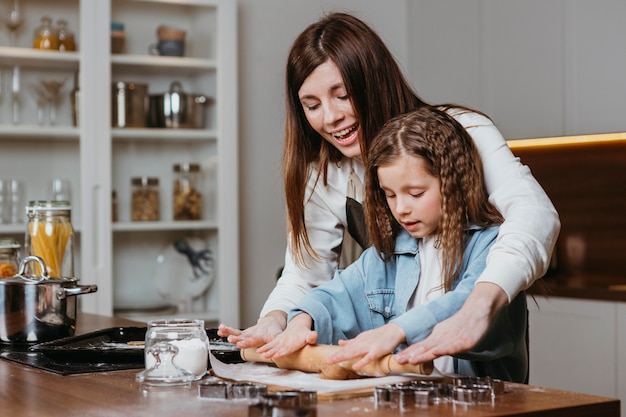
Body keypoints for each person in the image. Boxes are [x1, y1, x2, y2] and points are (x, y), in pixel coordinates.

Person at [219, 12, 559, 363]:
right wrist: (276, 321)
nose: (330, 117)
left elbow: (534, 214)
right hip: (403, 369)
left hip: (477, 363)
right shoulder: (326, 175)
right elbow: (307, 278)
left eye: (342, 95)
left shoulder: (461, 131)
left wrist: (479, 305)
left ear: (373, 81)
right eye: (312, 105)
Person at [257, 107, 528, 382]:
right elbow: (337, 294)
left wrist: (396, 331)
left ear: (453, 183)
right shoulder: (391, 252)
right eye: (390, 195)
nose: (401, 209)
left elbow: (467, 304)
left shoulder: (492, 245)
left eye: (416, 193)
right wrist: (302, 322)